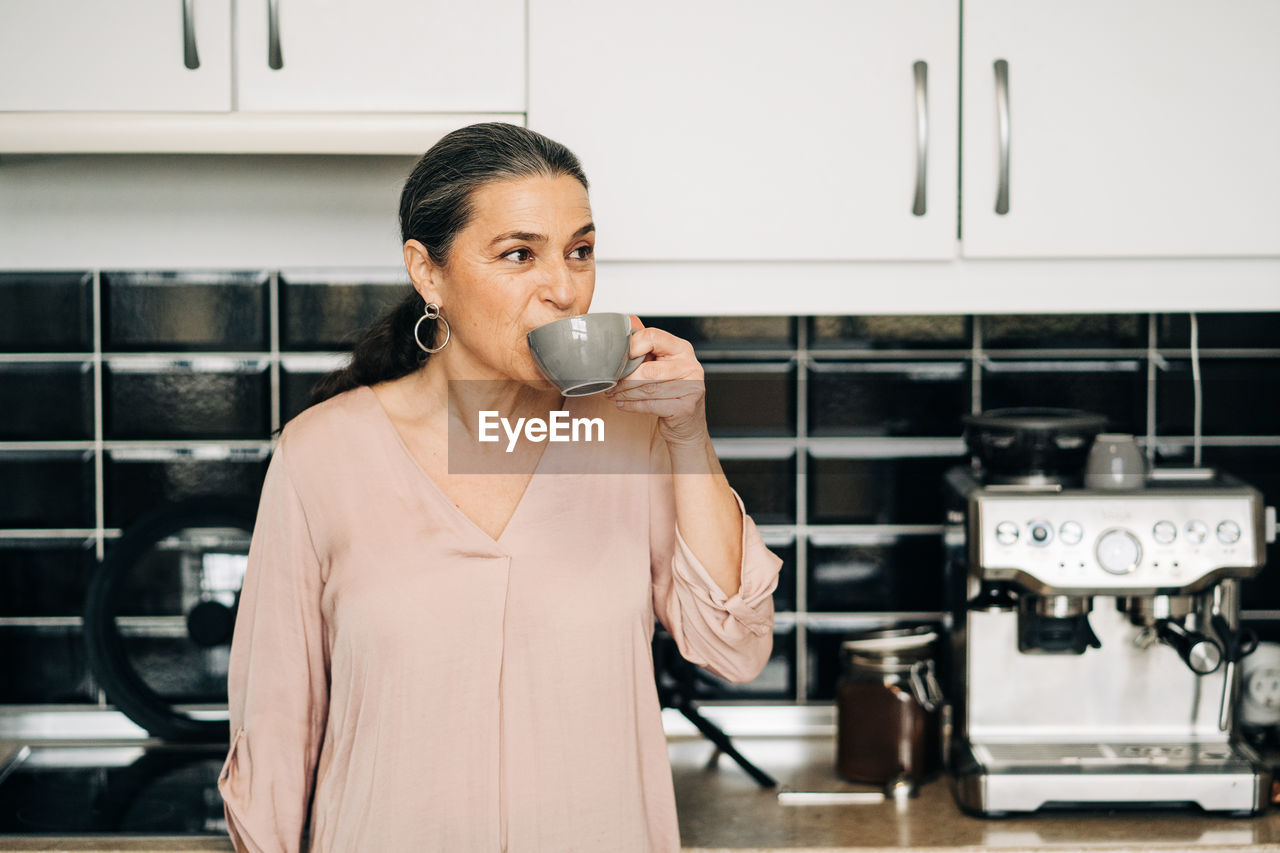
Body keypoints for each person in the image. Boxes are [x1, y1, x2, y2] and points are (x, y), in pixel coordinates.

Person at [216, 122, 783, 852]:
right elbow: (275, 732)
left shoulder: (631, 434)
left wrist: (688, 435)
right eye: (519, 254)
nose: (565, 289)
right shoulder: (323, 454)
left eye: (580, 252)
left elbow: (735, 645)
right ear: (428, 273)